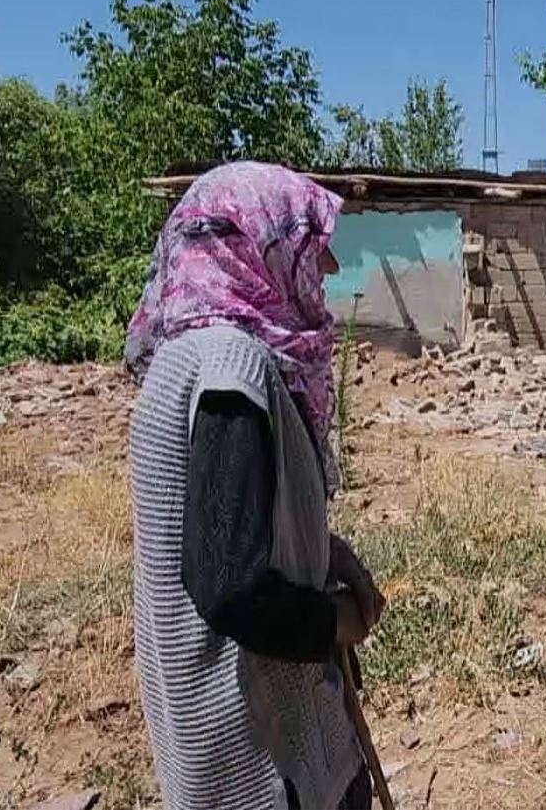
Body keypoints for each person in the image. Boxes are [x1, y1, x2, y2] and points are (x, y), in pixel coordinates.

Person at [125, 161, 385, 810]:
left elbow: (230, 520)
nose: (325, 269)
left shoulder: (180, 357)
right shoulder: (231, 363)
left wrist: (324, 549)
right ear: (254, 247)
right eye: (308, 246)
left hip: (206, 725)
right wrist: (333, 624)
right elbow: (231, 583)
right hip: (260, 744)